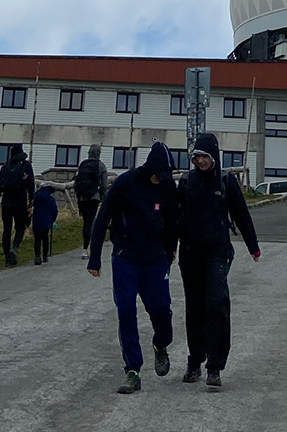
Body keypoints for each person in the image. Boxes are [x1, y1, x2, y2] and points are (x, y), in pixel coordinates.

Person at [87, 142, 179, 394]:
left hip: (155, 261)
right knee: (126, 312)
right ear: (151, 168)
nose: (162, 179)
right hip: (125, 258)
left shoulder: (168, 187)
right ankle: (133, 370)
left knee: (161, 311)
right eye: (160, 174)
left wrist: (170, 253)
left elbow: (173, 222)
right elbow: (102, 216)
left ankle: (161, 345)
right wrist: (94, 258)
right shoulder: (126, 184)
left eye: (167, 175)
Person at [178, 132, 260, 391]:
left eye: (204, 156)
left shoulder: (226, 181)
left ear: (214, 157)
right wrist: (167, 250)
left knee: (216, 303)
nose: (200, 161)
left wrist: (253, 247)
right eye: (197, 157)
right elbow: (174, 220)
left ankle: (215, 366)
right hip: (190, 253)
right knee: (194, 309)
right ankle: (195, 361)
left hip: (218, 253)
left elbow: (241, 215)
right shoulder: (186, 182)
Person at [0, 142, 34, 266]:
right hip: (20, 203)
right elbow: (31, 185)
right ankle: (14, 248)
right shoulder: (26, 166)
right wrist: (31, 202)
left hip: (6, 203)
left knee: (7, 230)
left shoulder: (5, 168)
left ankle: (7, 259)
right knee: (20, 227)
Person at [74, 142, 108, 254]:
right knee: (90, 222)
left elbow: (77, 181)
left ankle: (84, 247)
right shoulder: (101, 166)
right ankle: (86, 248)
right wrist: (103, 196)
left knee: (85, 223)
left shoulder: (82, 164)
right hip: (94, 197)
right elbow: (104, 184)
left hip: (82, 198)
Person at [31, 183, 58, 264]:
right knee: (45, 237)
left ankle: (37, 256)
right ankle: (45, 256)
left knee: (37, 239)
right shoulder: (51, 199)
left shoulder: (35, 197)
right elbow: (54, 211)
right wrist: (52, 220)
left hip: (36, 220)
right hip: (46, 221)